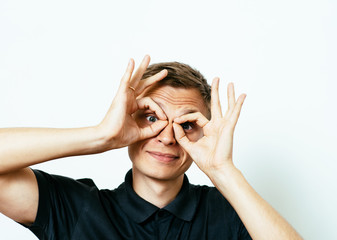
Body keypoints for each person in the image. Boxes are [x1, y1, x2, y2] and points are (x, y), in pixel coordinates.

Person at [0, 56, 302, 240]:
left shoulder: (231, 212)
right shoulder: (77, 209)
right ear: (128, 122)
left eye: (186, 125)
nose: (168, 137)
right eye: (151, 118)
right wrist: (101, 135)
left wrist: (223, 171)